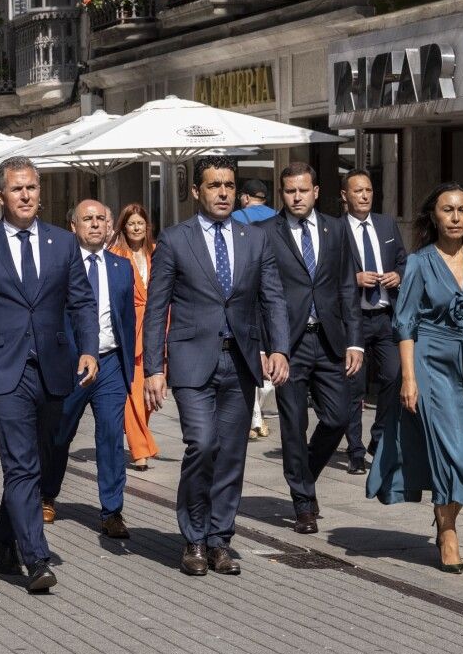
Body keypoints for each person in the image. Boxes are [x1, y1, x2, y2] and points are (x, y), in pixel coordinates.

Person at [0, 156, 99, 594]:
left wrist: (89, 348)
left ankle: (2, 538)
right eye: (17, 189)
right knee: (20, 464)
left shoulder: (62, 244)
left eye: (32, 188)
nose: (26, 195)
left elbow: (82, 303)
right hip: (3, 370)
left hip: (54, 366)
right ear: (0, 197)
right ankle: (37, 558)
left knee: (47, 457)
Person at [145, 156, 290, 576]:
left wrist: (278, 347)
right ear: (196, 191)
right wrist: (155, 368)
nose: (223, 192)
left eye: (228, 185)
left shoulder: (254, 239)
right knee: (202, 444)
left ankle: (219, 539)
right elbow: (156, 310)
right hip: (192, 360)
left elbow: (273, 297)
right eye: (214, 185)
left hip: (240, 360)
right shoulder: (175, 240)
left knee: (231, 454)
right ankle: (192, 537)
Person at [367, 182, 463, 574]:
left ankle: (445, 516)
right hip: (430, 362)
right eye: (448, 210)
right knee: (451, 450)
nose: (456, 217)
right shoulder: (419, 263)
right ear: (434, 215)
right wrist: (408, 379)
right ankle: (448, 533)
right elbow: (405, 324)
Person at [256, 162, 362, 535]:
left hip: (331, 339)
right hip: (289, 344)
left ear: (316, 191)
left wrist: (354, 341)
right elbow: (259, 294)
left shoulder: (336, 230)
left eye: (303, 190)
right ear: (281, 193)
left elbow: (347, 286)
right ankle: (302, 502)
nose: (296, 197)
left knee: (337, 419)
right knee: (293, 424)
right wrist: (268, 347)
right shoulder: (266, 232)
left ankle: (305, 477)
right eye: (289, 191)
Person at [41, 199, 136, 539]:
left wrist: (129, 370)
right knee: (60, 434)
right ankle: (46, 494)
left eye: (101, 219)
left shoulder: (121, 267)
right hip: (71, 365)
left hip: (110, 362)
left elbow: (127, 319)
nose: (95, 224)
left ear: (110, 226)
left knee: (111, 437)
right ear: (74, 227)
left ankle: (112, 510)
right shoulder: (60, 266)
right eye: (87, 219)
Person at [340, 169, 407, 472]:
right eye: (358, 191)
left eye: (368, 190)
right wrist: (353, 278)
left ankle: (378, 438)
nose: (365, 196)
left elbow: (403, 260)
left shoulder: (386, 223)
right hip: (352, 321)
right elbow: (323, 275)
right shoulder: (335, 230)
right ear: (345, 196)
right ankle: (354, 450)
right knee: (354, 387)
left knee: (394, 376)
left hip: (384, 316)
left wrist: (398, 275)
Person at [107, 203, 160, 471]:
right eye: (131, 224)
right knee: (132, 393)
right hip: (129, 328)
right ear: (124, 227)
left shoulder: (156, 252)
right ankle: (139, 448)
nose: (137, 228)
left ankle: (142, 438)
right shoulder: (115, 255)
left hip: (157, 327)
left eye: (141, 223)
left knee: (150, 394)